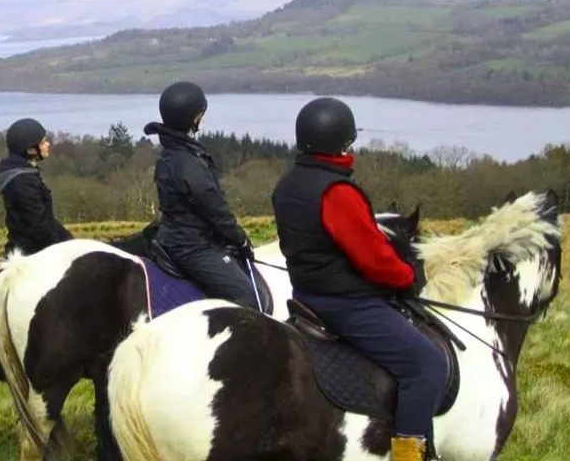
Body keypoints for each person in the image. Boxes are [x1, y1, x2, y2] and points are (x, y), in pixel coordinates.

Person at [270, 97, 445, 461]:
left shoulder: (288, 184)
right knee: (426, 364)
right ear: (343, 142)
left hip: (306, 294)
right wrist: (406, 276)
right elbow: (375, 260)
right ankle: (410, 456)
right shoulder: (336, 192)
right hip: (347, 303)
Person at [143, 80, 259, 309]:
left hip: (173, 236)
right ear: (194, 119)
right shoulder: (190, 163)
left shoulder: (170, 153)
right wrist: (241, 239)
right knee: (248, 299)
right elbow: (216, 211)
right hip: (192, 245)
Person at [0, 117, 74, 258]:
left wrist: (71, 242)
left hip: (35, 251)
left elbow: (47, 220)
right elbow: (39, 228)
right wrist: (67, 252)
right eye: (43, 142)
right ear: (31, 150)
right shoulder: (23, 182)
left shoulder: (26, 173)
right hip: (29, 257)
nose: (48, 144)